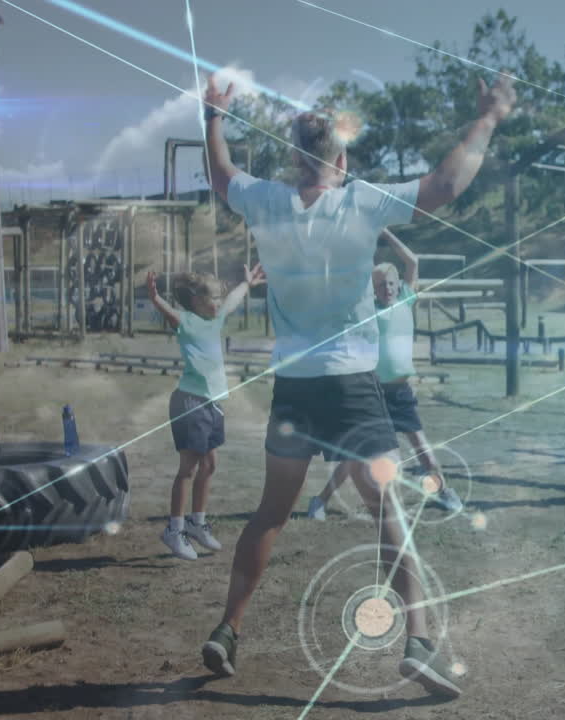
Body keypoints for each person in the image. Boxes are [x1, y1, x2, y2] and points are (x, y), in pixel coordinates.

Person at [198, 70, 514, 699]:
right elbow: (448, 183)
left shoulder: (264, 201)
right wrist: (488, 119)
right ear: (340, 156)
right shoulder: (363, 200)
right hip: (350, 386)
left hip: (293, 386)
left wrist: (214, 116)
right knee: (387, 512)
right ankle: (418, 642)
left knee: (270, 512)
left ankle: (227, 629)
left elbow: (221, 174)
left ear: (294, 157)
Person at [308, 230, 463, 520]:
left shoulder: (406, 298)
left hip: (401, 393)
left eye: (391, 283)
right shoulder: (366, 309)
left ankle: (444, 492)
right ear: (372, 288)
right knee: (356, 455)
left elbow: (412, 261)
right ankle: (320, 500)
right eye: (380, 284)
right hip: (373, 392)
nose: (387, 288)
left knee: (423, 448)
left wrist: (386, 235)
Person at [146, 264, 264, 560]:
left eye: (218, 299)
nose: (218, 303)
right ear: (196, 301)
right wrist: (155, 298)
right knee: (188, 469)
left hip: (212, 404)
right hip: (190, 403)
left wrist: (246, 284)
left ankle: (197, 524)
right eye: (212, 299)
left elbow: (234, 300)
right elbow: (167, 312)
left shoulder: (216, 321)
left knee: (209, 466)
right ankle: (174, 530)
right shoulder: (186, 321)